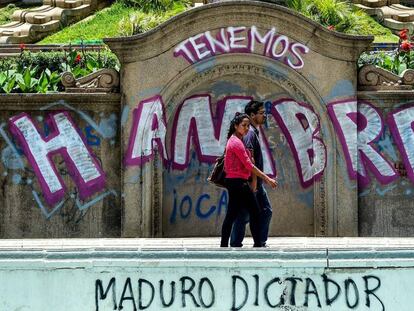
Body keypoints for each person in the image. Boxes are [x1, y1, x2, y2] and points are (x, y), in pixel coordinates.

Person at [221, 112, 277, 248]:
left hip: (235, 182)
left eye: (247, 125)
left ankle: (224, 245)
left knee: (232, 214)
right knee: (255, 212)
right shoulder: (236, 142)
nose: (246, 128)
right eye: (243, 125)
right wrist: (267, 178)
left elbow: (247, 162)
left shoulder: (236, 140)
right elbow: (249, 165)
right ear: (236, 126)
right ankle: (258, 244)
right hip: (239, 183)